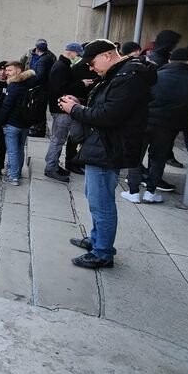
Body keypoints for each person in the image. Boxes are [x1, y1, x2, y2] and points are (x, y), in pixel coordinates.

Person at [59, 39, 156, 269]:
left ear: (107, 56)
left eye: (92, 63)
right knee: (95, 198)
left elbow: (108, 115)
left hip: (109, 146)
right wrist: (80, 103)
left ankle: (102, 252)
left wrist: (75, 109)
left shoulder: (127, 77)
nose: (91, 68)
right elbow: (107, 106)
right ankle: (96, 241)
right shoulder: (122, 74)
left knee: (101, 202)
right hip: (105, 144)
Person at [123, 47, 188, 204]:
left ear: (169, 60)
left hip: (144, 121)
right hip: (168, 127)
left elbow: (137, 97)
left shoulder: (157, 76)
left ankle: (133, 191)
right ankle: (150, 192)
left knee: (135, 155)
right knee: (158, 159)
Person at [44, 43, 84, 182]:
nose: (78, 58)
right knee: (58, 140)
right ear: (72, 53)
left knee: (59, 139)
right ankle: (51, 168)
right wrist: (81, 83)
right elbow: (59, 88)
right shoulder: (61, 66)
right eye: (78, 55)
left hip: (60, 107)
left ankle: (53, 165)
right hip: (61, 109)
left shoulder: (63, 65)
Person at [0, 62, 36, 186]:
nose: (6, 73)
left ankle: (13, 176)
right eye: (6, 70)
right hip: (25, 123)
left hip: (12, 123)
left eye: (9, 70)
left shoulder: (14, 85)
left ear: (18, 71)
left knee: (12, 151)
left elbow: (7, 105)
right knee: (20, 149)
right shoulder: (30, 82)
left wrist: (0, 121)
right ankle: (17, 172)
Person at [26, 39, 55, 137]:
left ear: (37, 48)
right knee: (39, 108)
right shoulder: (49, 57)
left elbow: (40, 76)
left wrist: (29, 82)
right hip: (44, 87)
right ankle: (39, 129)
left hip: (39, 88)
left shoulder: (42, 60)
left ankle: (38, 129)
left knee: (38, 108)